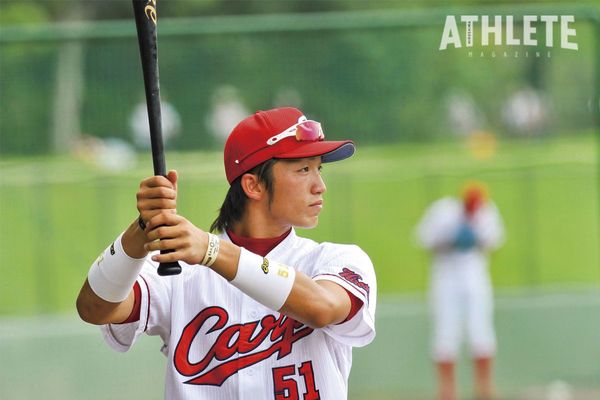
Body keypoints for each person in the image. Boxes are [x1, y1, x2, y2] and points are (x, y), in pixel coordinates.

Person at [76, 107, 377, 399]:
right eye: (303, 169)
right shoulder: (179, 269)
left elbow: (322, 308)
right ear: (254, 185)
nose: (320, 186)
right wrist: (141, 230)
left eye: (318, 168)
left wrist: (212, 251)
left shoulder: (335, 260)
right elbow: (94, 309)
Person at [415, 182, 504, 400]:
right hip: (446, 278)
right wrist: (450, 241)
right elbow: (424, 239)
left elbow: (493, 242)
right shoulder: (443, 212)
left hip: (475, 278)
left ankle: (484, 388)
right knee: (446, 333)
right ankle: (447, 391)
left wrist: (475, 239)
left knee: (481, 331)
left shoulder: (487, 213)